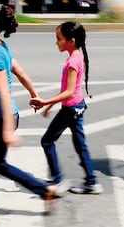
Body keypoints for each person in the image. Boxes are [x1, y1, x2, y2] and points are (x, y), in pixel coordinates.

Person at [0, 2, 60, 227]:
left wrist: (7, 131)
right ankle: (44, 190)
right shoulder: (1, 49)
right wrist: (34, 94)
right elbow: (21, 72)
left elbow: (5, 94)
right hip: (2, 118)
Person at [30, 21, 99, 195]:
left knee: (47, 141)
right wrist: (50, 105)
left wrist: (45, 102)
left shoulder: (73, 62)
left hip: (70, 109)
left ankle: (59, 180)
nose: (56, 42)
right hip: (77, 106)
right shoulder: (76, 57)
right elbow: (67, 89)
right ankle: (92, 182)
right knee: (80, 144)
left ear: (72, 41)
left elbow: (68, 92)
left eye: (59, 39)